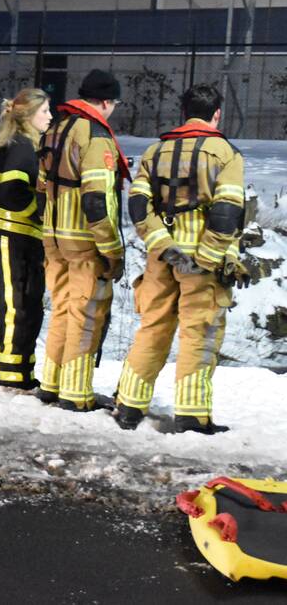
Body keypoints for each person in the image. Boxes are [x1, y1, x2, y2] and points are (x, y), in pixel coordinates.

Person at [113, 84, 246, 434]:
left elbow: (139, 206)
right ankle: (192, 416)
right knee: (198, 335)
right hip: (202, 262)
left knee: (152, 327)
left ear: (184, 113)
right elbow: (227, 212)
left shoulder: (155, 151)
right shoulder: (225, 154)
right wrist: (208, 257)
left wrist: (162, 245)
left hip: (161, 259)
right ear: (216, 114)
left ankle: (128, 406)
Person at [36, 69, 130, 410]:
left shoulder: (56, 127)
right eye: (114, 103)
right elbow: (96, 200)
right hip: (84, 242)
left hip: (53, 237)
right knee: (86, 314)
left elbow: (41, 184)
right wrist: (112, 250)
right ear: (105, 102)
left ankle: (51, 383)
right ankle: (76, 394)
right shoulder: (95, 135)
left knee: (61, 308)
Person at [0, 88, 52, 389]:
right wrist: (36, 210)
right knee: (18, 305)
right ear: (28, 116)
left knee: (15, 304)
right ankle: (12, 376)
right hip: (13, 239)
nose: (50, 117)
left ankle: (10, 369)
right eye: (45, 111)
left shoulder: (20, 144)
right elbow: (5, 191)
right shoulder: (22, 147)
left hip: (17, 238)